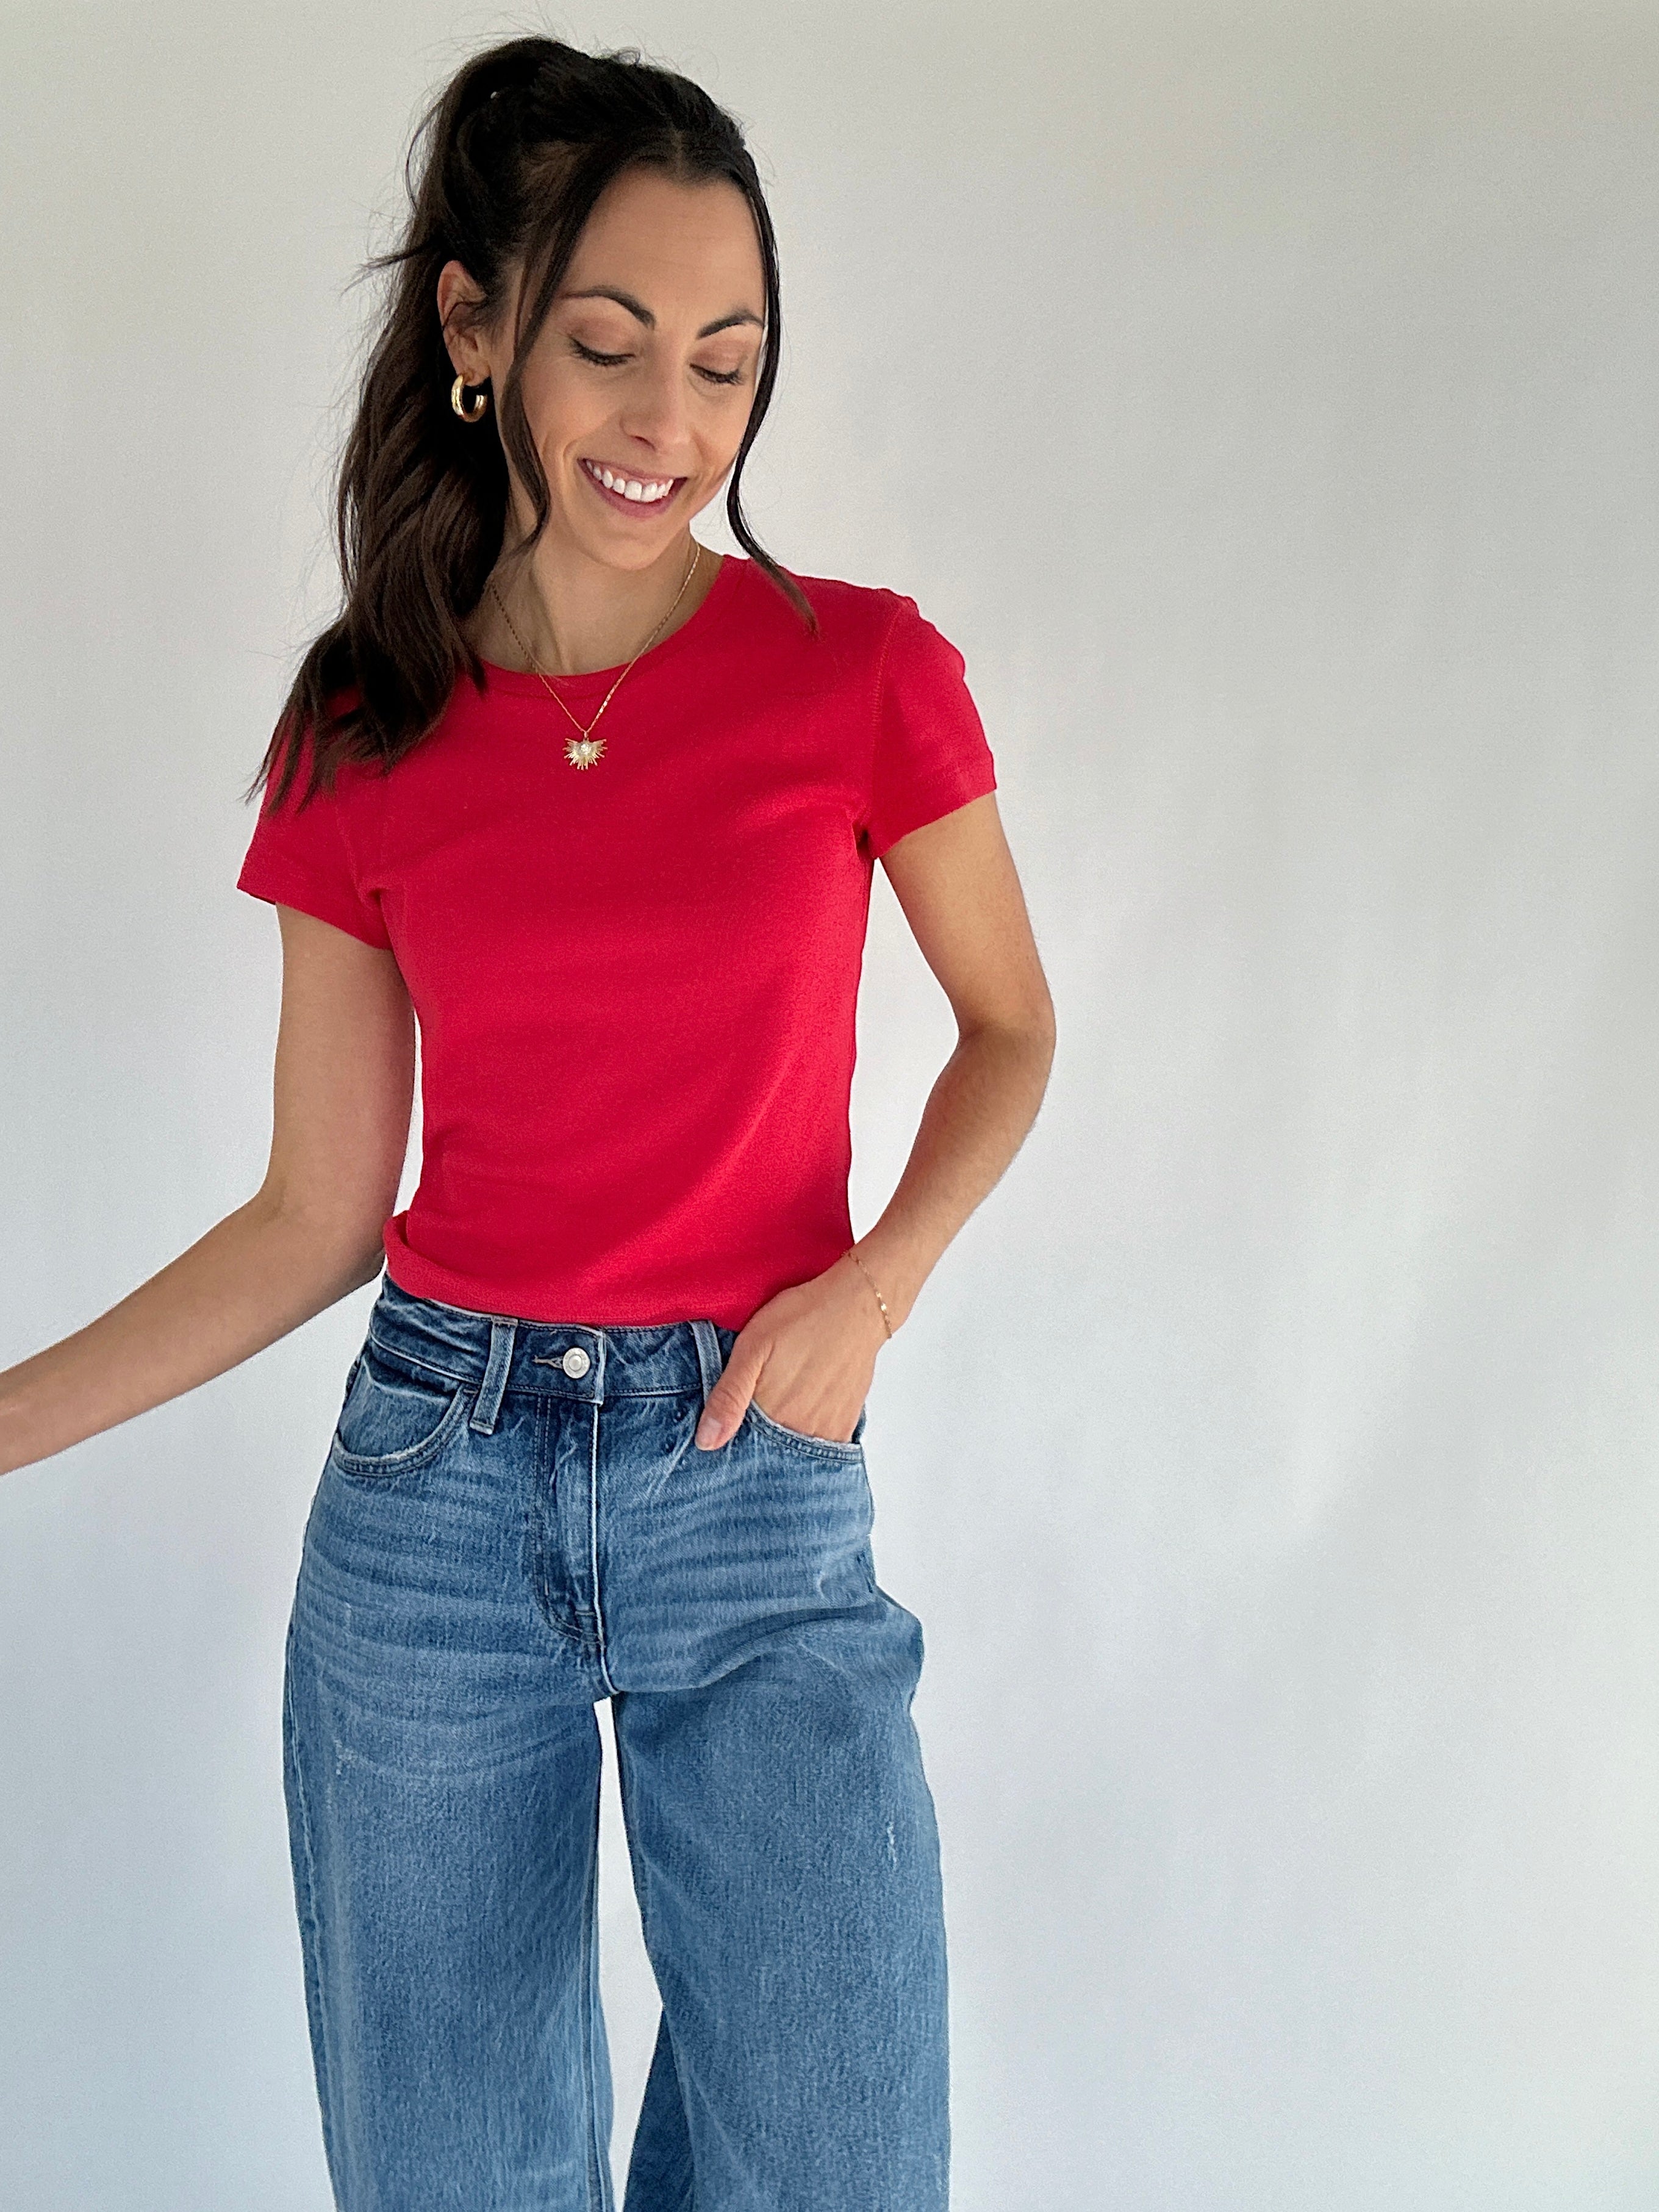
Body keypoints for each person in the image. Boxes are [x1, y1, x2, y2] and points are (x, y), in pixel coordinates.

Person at [0, 33, 1055, 2212]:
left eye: (728, 361)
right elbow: (314, 1213)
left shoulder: (856, 672)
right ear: (480, 334)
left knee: (845, 2160)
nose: (671, 419)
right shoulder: (366, 722)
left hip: (755, 1476)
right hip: (434, 1501)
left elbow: (1010, 1029)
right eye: (609, 342)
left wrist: (877, 1284)